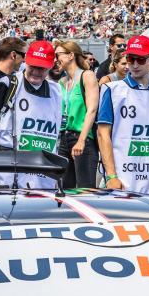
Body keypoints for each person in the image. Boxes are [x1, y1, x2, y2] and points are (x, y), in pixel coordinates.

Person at [97, 35, 149, 197]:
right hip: (123, 180)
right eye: (130, 59)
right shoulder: (112, 89)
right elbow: (102, 133)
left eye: (140, 60)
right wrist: (111, 176)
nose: (134, 65)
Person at [0, 41, 61, 189]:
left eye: (41, 68)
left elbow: (55, 136)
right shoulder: (7, 84)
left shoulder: (56, 92)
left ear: (50, 66)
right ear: (26, 61)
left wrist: (55, 175)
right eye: (33, 66)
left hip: (42, 174)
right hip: (7, 172)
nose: (36, 72)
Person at [56, 40, 100, 189]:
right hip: (64, 138)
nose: (56, 59)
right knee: (64, 190)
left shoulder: (87, 75)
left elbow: (92, 110)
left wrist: (81, 140)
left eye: (58, 55)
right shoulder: (62, 82)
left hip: (82, 137)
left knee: (85, 189)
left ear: (71, 55)